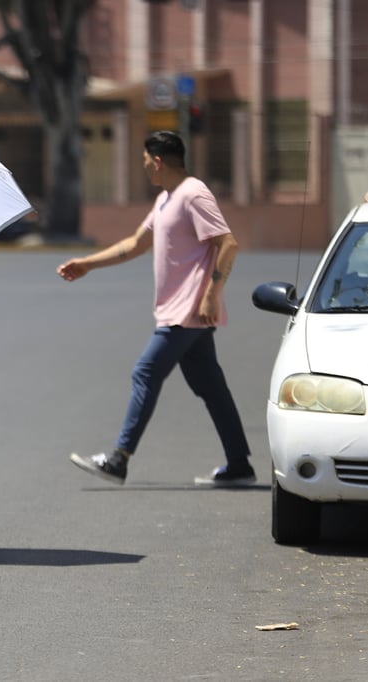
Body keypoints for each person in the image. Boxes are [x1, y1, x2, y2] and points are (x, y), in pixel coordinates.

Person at [58, 131, 255, 488]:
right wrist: (88, 263)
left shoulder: (194, 194)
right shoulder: (166, 199)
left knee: (145, 373)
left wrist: (211, 294)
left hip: (187, 311)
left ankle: (119, 459)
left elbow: (228, 243)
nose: (145, 166)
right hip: (181, 311)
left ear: (158, 161)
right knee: (211, 388)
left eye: (146, 161)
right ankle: (239, 464)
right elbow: (136, 243)